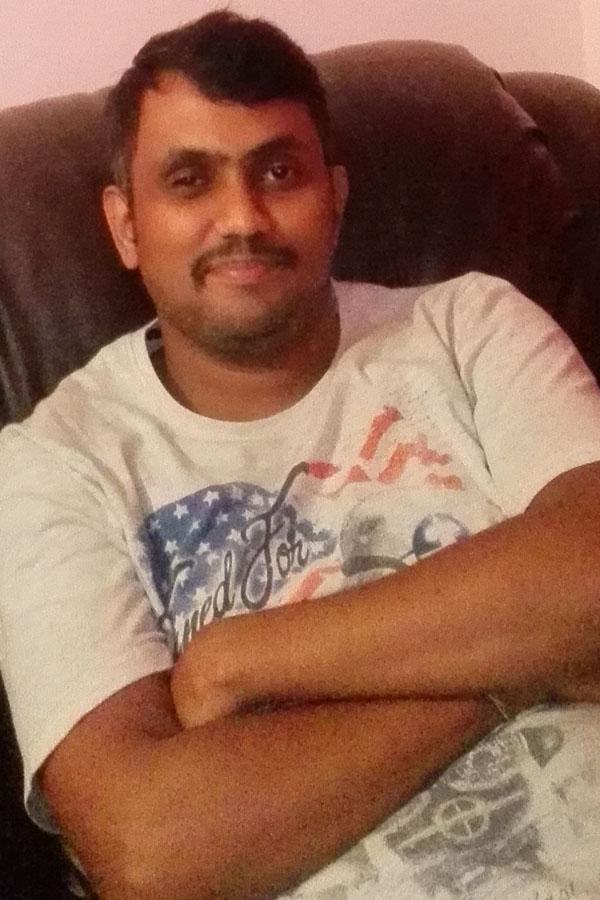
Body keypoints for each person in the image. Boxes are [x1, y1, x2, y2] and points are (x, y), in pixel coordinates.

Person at [1, 9, 600, 900]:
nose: (242, 218)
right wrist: (525, 658)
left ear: (337, 196)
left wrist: (239, 662)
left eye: (278, 171)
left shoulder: (472, 326)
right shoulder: (55, 465)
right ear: (125, 226)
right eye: (189, 181)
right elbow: (150, 848)